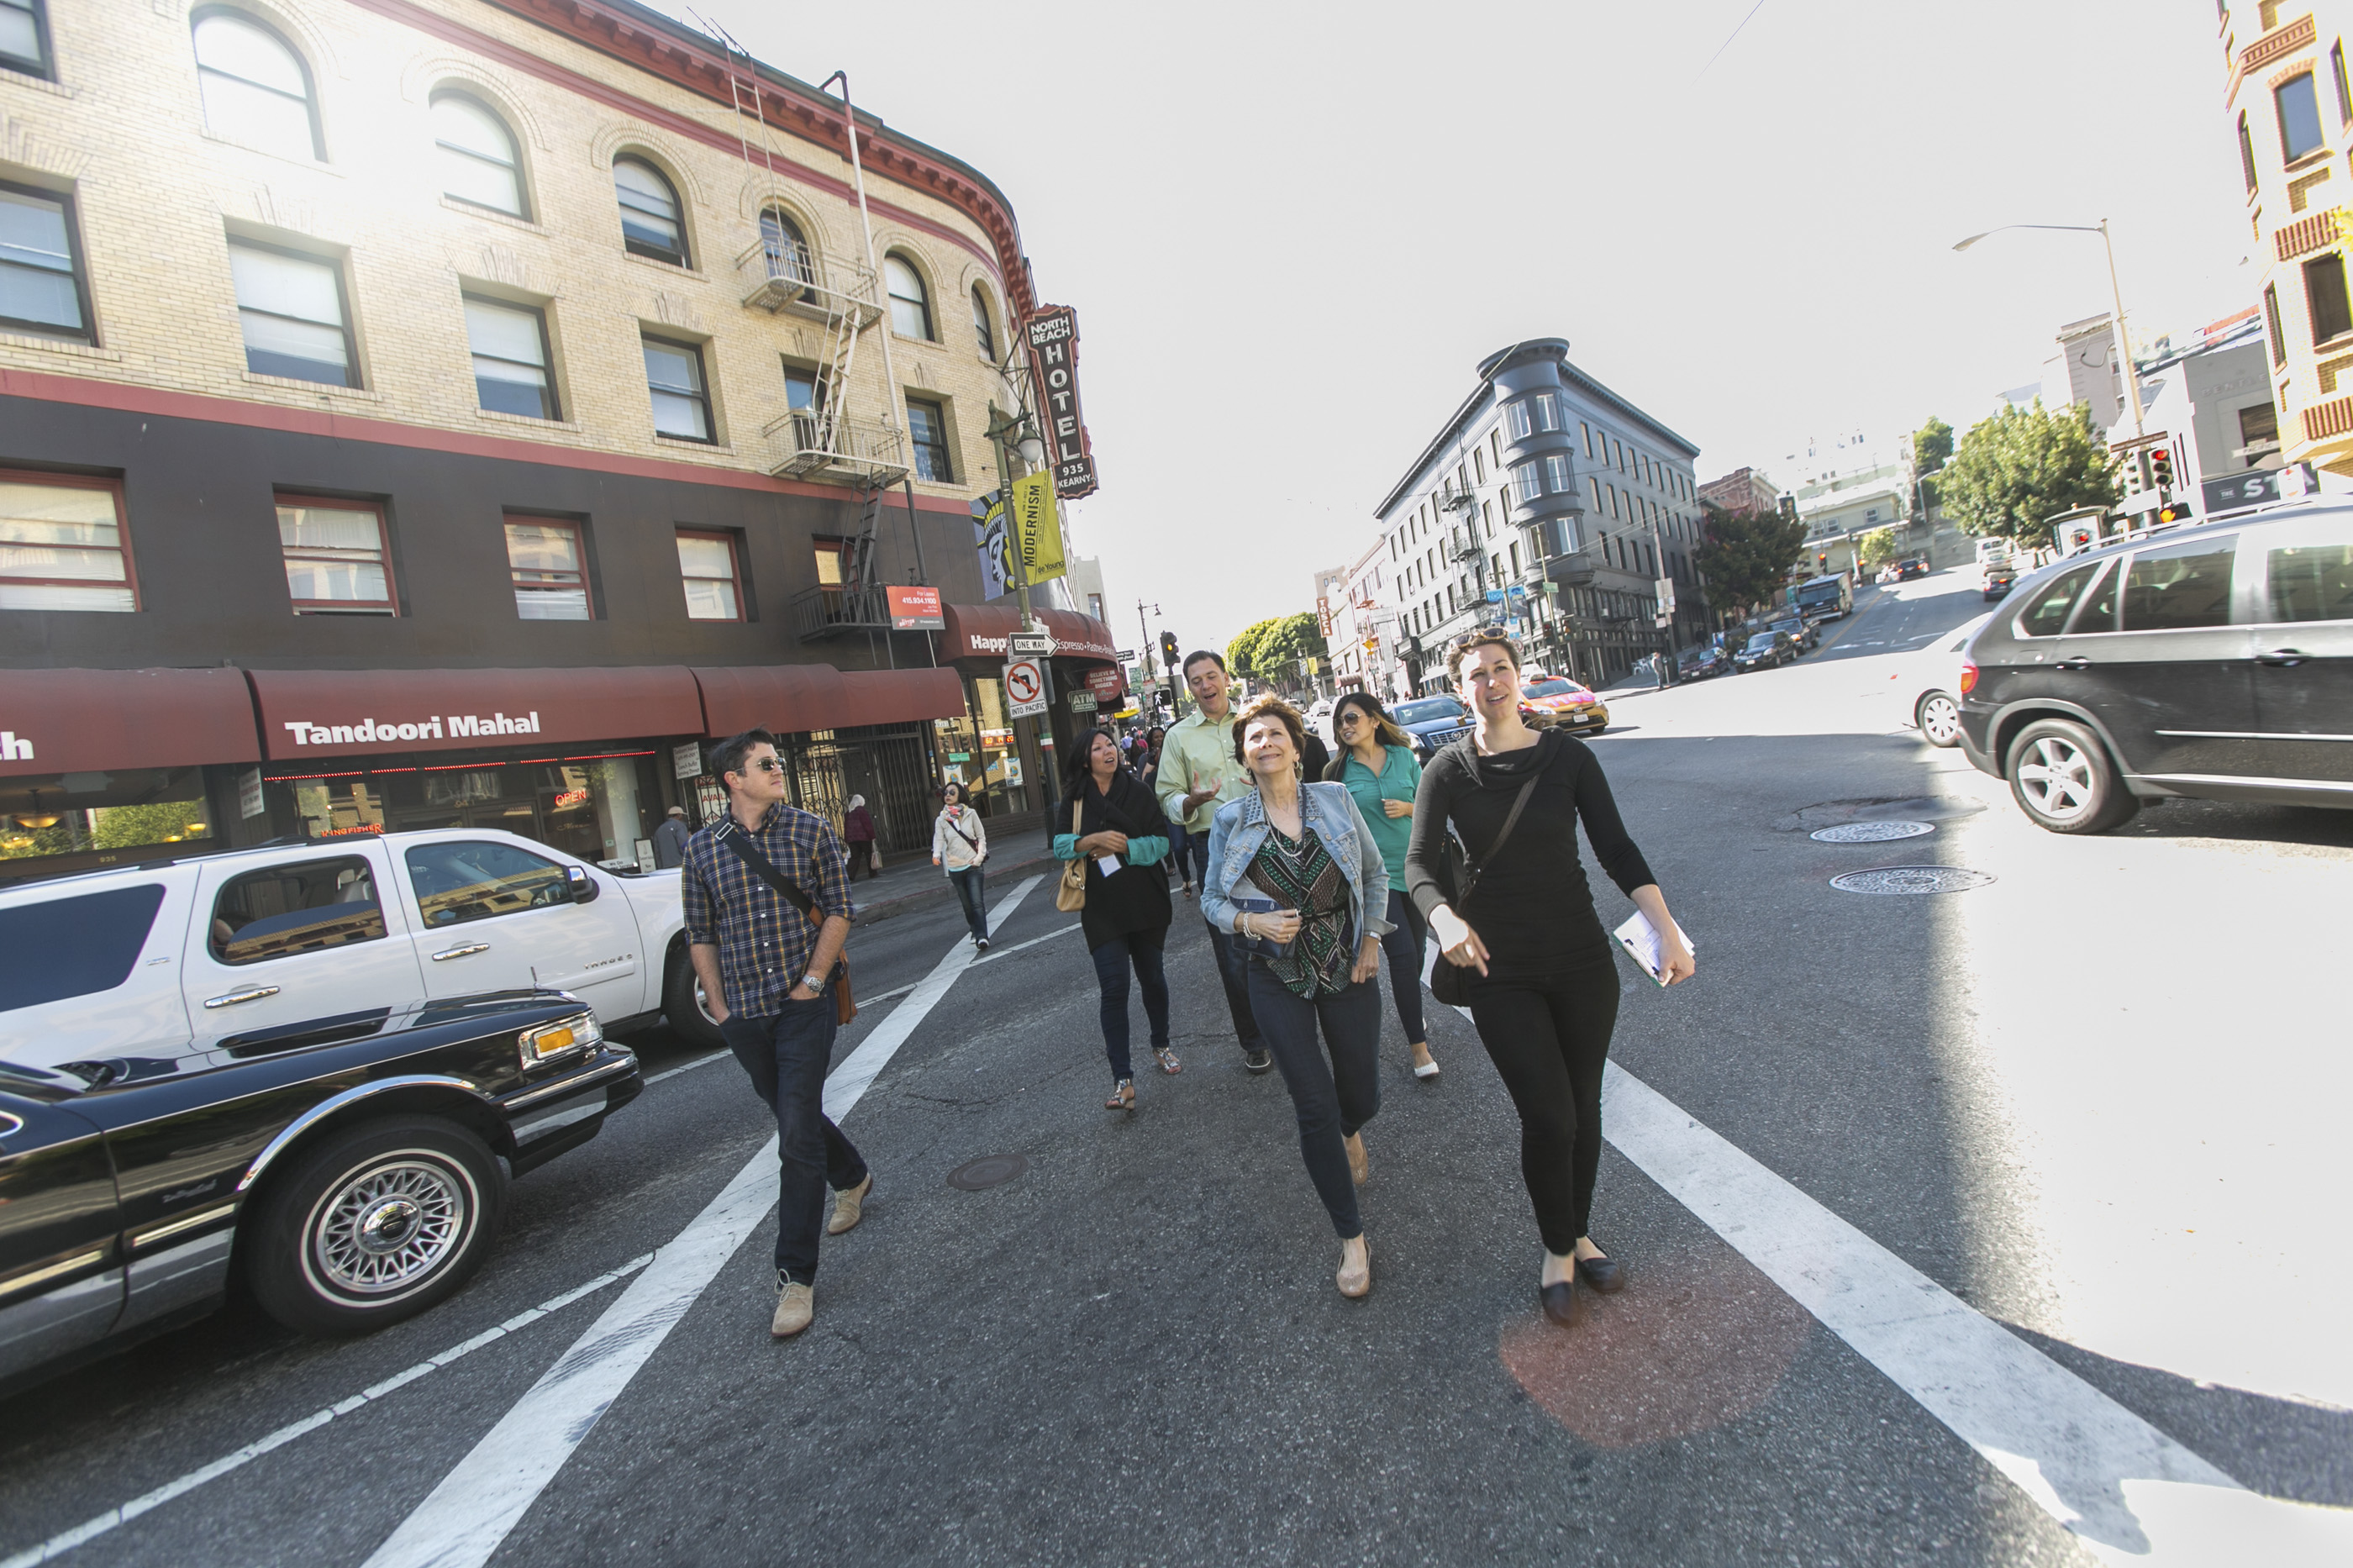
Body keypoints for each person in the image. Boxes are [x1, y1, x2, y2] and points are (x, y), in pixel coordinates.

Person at [1406, 633, 1694, 1330]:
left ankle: (1578, 1232)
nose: (1492, 682)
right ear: (1461, 689)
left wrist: (1667, 928)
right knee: (1549, 1115)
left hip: (1581, 961)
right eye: (1477, 674)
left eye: (1501, 669)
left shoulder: (1569, 757)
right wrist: (1443, 918)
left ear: (1518, 678)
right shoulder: (1445, 770)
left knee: (1584, 1110)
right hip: (1497, 971)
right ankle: (1557, 1252)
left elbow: (1617, 849)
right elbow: (1415, 866)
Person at [682, 729, 873, 1340]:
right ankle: (853, 1177)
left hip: (803, 1004)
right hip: (744, 1010)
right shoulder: (701, 850)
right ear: (732, 779)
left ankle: (795, 1275)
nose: (777, 769)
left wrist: (814, 981)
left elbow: (840, 909)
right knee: (796, 1113)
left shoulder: (811, 830)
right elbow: (700, 931)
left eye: (778, 761)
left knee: (794, 1130)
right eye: (764, 763)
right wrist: (718, 1006)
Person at [1203, 696, 1390, 1298]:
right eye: (1253, 738)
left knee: (1360, 1091)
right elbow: (1211, 899)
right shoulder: (1231, 820)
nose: (1265, 744)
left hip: (1345, 960)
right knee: (1312, 1105)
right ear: (1244, 756)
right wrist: (1247, 925)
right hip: (1275, 973)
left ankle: (1351, 1126)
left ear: (1296, 743)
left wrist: (1371, 940)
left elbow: (1374, 873)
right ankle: (1352, 1241)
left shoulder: (1334, 801)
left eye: (1275, 734)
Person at [1155, 651, 1269, 1071]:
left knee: (1288, 930)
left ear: (1226, 678)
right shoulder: (1178, 737)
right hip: (1214, 845)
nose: (1206, 686)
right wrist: (1190, 800)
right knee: (1233, 948)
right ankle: (1255, 1040)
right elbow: (1166, 796)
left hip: (1270, 835)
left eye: (1211, 676)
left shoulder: (1254, 722)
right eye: (1197, 681)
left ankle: (1294, 1020)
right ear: (1190, 688)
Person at [1054, 728, 1176, 1110]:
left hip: (1145, 899)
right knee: (1114, 987)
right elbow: (1059, 845)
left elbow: (1162, 842)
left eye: (1110, 744)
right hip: (1101, 906)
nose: (1108, 751)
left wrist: (1125, 847)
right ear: (1084, 758)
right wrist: (1090, 841)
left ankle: (1161, 1044)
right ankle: (1122, 1078)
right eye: (1098, 747)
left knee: (1152, 977)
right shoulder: (1075, 799)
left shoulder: (1138, 792)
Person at [1324, 692, 1436, 1080]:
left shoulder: (1404, 757)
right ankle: (1419, 1048)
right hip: (1375, 879)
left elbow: (1429, 801)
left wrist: (1408, 808)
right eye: (1340, 721)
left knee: (1418, 951)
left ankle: (1411, 1009)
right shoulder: (1335, 773)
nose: (1346, 726)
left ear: (1374, 720)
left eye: (1352, 718)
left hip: (1416, 870)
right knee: (1403, 956)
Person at [931, 781, 990, 951]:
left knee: (977, 902)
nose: (948, 795)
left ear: (960, 796)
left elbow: (981, 837)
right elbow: (939, 839)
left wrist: (979, 858)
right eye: (946, 793)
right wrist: (936, 855)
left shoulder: (971, 814)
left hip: (973, 866)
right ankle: (974, 928)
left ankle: (982, 936)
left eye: (952, 792)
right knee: (967, 904)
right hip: (955, 868)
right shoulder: (941, 819)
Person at [843, 794, 878, 881]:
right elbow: (867, 824)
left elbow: (846, 827)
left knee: (855, 857)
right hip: (864, 838)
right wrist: (872, 836)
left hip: (852, 840)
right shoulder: (861, 811)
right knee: (869, 855)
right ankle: (873, 872)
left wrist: (847, 839)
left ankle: (850, 875)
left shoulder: (848, 813)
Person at [651, 804, 690, 870]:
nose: (682, 817)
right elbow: (683, 845)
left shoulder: (659, 830)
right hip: (680, 864)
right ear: (678, 815)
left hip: (665, 867)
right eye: (682, 815)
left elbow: (657, 852)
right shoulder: (679, 826)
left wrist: (660, 868)